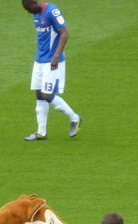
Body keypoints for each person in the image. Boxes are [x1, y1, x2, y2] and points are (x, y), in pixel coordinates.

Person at [22, 0, 82, 141]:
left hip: (52, 61)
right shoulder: (36, 13)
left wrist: (56, 56)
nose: (28, 11)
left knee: (47, 94)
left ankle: (75, 118)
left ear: (35, 2)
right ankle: (41, 132)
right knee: (39, 94)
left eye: (29, 8)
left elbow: (64, 33)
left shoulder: (52, 11)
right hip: (39, 61)